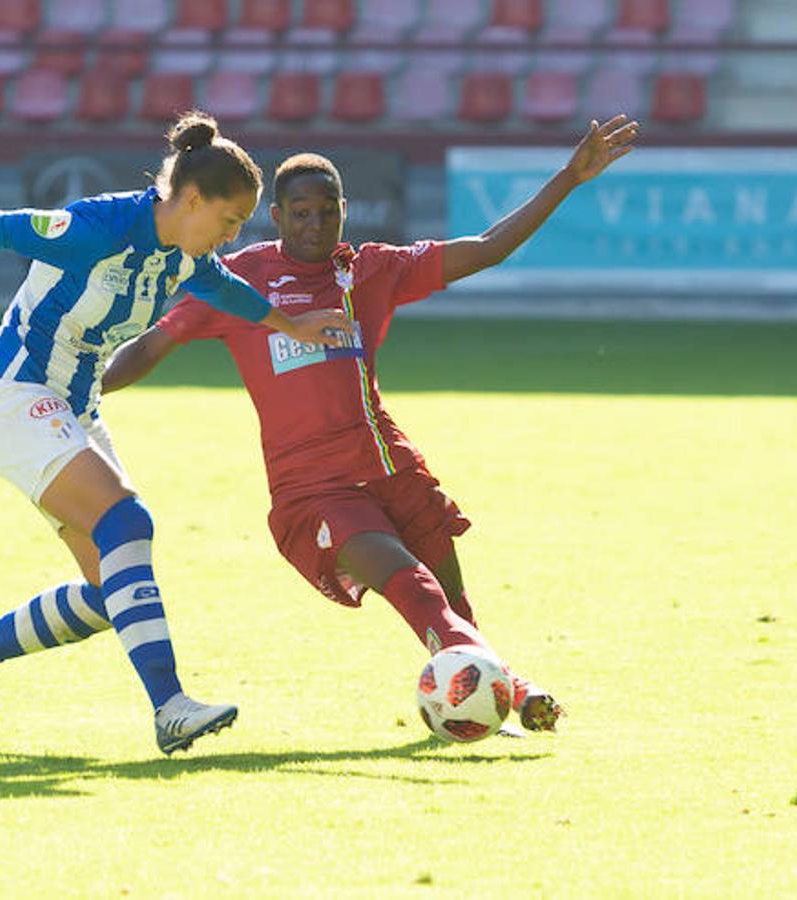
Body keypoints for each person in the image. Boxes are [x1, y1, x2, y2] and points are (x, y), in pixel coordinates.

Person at [0, 112, 353, 754]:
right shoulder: (96, 228)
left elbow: (220, 285)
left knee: (114, 592)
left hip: (73, 409)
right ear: (190, 200)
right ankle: (170, 708)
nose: (233, 234)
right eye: (230, 219)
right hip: (12, 397)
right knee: (128, 522)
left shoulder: (185, 254)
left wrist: (288, 325)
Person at [101, 115, 643, 734]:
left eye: (327, 212)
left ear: (343, 212)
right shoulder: (239, 281)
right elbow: (148, 348)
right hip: (315, 489)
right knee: (410, 582)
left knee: (450, 605)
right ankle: (508, 688)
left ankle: (507, 694)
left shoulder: (369, 271)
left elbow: (488, 248)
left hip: (391, 467)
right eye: (300, 213)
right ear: (275, 217)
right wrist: (80, 388)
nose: (314, 225)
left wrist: (569, 179)